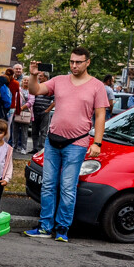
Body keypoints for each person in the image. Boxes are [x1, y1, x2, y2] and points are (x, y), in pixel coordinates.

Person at [24, 47, 108, 243]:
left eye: (78, 62)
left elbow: (100, 115)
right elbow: (35, 90)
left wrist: (97, 143)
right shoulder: (60, 80)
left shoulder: (97, 86)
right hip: (53, 140)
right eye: (72, 62)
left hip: (77, 143)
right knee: (48, 186)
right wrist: (33, 75)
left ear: (88, 62)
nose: (74, 65)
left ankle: (62, 228)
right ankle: (45, 226)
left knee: (68, 187)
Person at [30, 71, 53, 153]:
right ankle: (35, 148)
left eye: (41, 76)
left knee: (43, 131)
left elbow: (55, 100)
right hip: (35, 111)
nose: (39, 78)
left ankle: (41, 149)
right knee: (34, 131)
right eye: (39, 76)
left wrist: (48, 110)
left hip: (44, 112)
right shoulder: (37, 86)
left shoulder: (49, 87)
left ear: (46, 77)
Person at [0, 119, 13, 213]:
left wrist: (7, 179)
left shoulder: (8, 149)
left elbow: (9, 165)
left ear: (5, 134)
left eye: (0, 132)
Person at [12, 76, 34, 153]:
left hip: (26, 113)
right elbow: (14, 98)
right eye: (24, 80)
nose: (26, 81)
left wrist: (21, 108)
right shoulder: (18, 89)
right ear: (22, 81)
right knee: (15, 130)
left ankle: (23, 148)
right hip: (17, 112)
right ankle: (14, 147)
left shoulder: (31, 91)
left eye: (28, 80)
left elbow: (31, 102)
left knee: (24, 132)